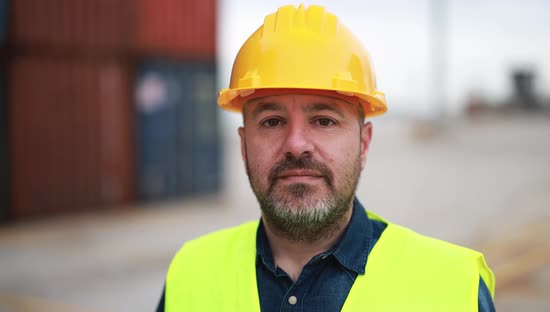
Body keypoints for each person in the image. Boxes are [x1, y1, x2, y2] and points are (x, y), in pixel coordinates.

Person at [157, 4, 495, 311]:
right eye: (272, 121)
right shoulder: (191, 271)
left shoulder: (451, 287)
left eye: (324, 121)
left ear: (364, 143)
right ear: (244, 144)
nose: (296, 144)